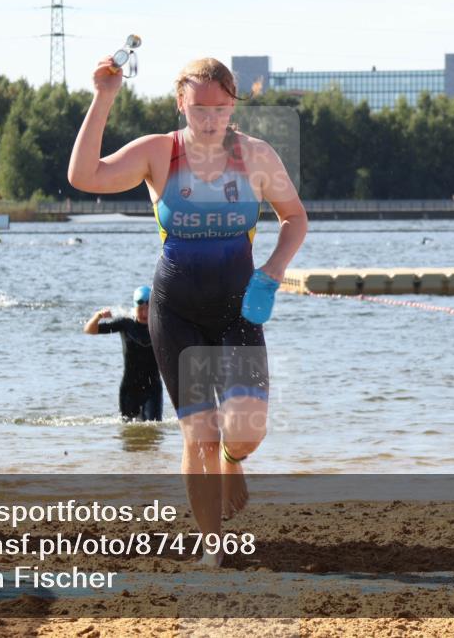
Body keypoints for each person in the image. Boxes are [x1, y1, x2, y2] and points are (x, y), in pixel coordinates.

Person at [69, 56, 307, 562]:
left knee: (246, 433)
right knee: (198, 433)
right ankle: (212, 548)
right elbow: (84, 175)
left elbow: (294, 218)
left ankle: (233, 459)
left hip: (239, 308)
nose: (209, 119)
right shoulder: (160, 152)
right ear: (181, 103)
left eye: (220, 108)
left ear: (233, 106)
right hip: (175, 311)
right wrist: (103, 97)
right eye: (199, 108)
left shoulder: (256, 155)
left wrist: (272, 270)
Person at [84, 286, 163, 422]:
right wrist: (98, 316)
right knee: (128, 431)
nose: (144, 314)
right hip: (129, 389)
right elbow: (89, 330)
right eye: (140, 309)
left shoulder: (160, 325)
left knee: (153, 427)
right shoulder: (126, 324)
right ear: (134, 307)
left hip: (153, 389)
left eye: (148, 309)